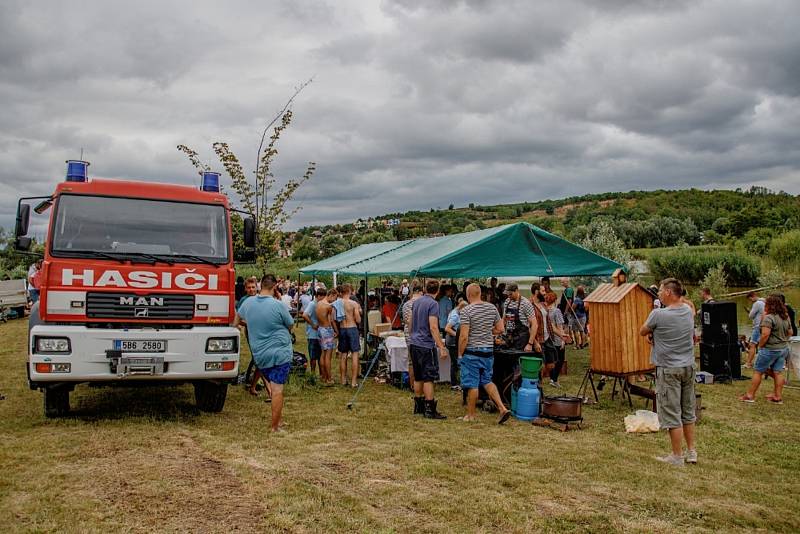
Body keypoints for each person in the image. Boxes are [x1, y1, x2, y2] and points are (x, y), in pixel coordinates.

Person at [639, 278, 697, 466]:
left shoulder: (658, 314)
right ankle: (692, 451)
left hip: (668, 368)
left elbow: (642, 331)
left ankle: (677, 456)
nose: (659, 293)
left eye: (661, 290)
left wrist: (652, 334)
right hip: (688, 366)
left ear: (669, 293)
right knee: (688, 411)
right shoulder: (688, 311)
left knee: (672, 412)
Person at [234, 274, 294, 432]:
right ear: (274, 287)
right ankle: (274, 426)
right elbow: (290, 324)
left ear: (260, 286)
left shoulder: (247, 303)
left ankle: (278, 421)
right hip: (280, 352)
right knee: (277, 389)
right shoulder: (278, 305)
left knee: (274, 387)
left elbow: (236, 322)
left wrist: (252, 324)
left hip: (260, 355)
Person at [458, 283, 511, 424]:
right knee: (487, 381)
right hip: (488, 350)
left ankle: (470, 415)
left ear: (468, 295)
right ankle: (502, 408)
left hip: (472, 352)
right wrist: (488, 332)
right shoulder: (492, 307)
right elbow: (500, 329)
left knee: (473, 384)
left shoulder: (466, 311)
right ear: (480, 293)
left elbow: (464, 336)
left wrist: (459, 354)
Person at [740, 294, 791, 404]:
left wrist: (761, 345)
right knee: (778, 372)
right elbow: (790, 332)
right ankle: (777, 397)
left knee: (758, 371)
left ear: (770, 305)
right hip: (783, 349)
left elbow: (765, 335)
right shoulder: (785, 316)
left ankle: (750, 395)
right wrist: (782, 340)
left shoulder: (769, 317)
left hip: (770, 349)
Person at [408, 279, 447, 419]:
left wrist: (412, 334)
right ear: (437, 291)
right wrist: (441, 346)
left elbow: (410, 321)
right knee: (428, 377)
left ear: (425, 288)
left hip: (414, 342)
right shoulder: (433, 304)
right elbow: (433, 327)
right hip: (425, 344)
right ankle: (430, 409)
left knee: (418, 376)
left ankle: (418, 406)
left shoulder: (417, 301)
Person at [530, 287, 557, 382]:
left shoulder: (543, 305)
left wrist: (562, 335)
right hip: (538, 339)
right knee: (541, 365)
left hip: (547, 338)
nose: (545, 293)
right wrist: (535, 342)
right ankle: (538, 386)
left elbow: (549, 323)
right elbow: (528, 326)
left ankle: (539, 382)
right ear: (536, 292)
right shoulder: (530, 306)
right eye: (543, 291)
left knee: (551, 364)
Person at [338, 284, 363, 387]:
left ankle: (343, 379)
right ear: (349, 291)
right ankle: (353, 381)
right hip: (352, 328)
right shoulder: (354, 303)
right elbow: (358, 319)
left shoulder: (337, 303)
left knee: (343, 355)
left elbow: (334, 318)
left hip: (342, 328)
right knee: (355, 354)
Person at [502, 283, 539, 353]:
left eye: (511, 294)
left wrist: (530, 343)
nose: (509, 296)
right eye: (507, 294)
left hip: (522, 339)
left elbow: (535, 324)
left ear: (516, 291)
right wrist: (499, 333)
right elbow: (504, 319)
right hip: (509, 337)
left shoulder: (525, 303)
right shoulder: (507, 302)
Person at [402, 281, 424, 389]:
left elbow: (406, 320)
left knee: (411, 362)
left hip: (409, 336)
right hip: (421, 337)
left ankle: (412, 385)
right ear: (420, 292)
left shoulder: (406, 304)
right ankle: (422, 385)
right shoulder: (424, 304)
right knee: (422, 363)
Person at [316, 288, 339, 385]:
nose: (334, 300)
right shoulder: (329, 306)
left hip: (320, 329)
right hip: (327, 330)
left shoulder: (318, 304)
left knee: (322, 354)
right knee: (328, 356)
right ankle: (329, 378)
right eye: (335, 298)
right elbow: (331, 320)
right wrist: (336, 331)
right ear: (331, 295)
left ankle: (323, 376)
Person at [444, 297, 466, 391]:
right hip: (452, 342)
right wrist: (458, 335)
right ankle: (454, 384)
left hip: (451, 341)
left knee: (455, 363)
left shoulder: (454, 311)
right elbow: (447, 328)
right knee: (455, 363)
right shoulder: (455, 316)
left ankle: (456, 382)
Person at [546, 291, 567, 388]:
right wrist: (563, 339)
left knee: (551, 360)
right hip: (557, 339)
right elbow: (559, 326)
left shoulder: (545, 310)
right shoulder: (556, 311)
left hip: (548, 339)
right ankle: (554, 379)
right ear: (555, 300)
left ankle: (552, 378)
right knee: (560, 360)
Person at [302, 290, 326, 375]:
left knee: (320, 356)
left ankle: (321, 374)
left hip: (319, 335)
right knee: (313, 357)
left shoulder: (319, 304)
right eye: (322, 298)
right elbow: (305, 315)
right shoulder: (312, 304)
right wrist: (313, 324)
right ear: (318, 296)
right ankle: (312, 374)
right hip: (312, 335)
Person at [745, 291, 766, 368]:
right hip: (764, 326)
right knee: (762, 345)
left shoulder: (757, 303)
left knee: (752, 345)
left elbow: (751, 316)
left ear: (752, 296)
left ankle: (749, 363)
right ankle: (761, 363)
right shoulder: (764, 301)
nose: (750, 301)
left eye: (750, 299)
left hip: (757, 326)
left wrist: (749, 311)